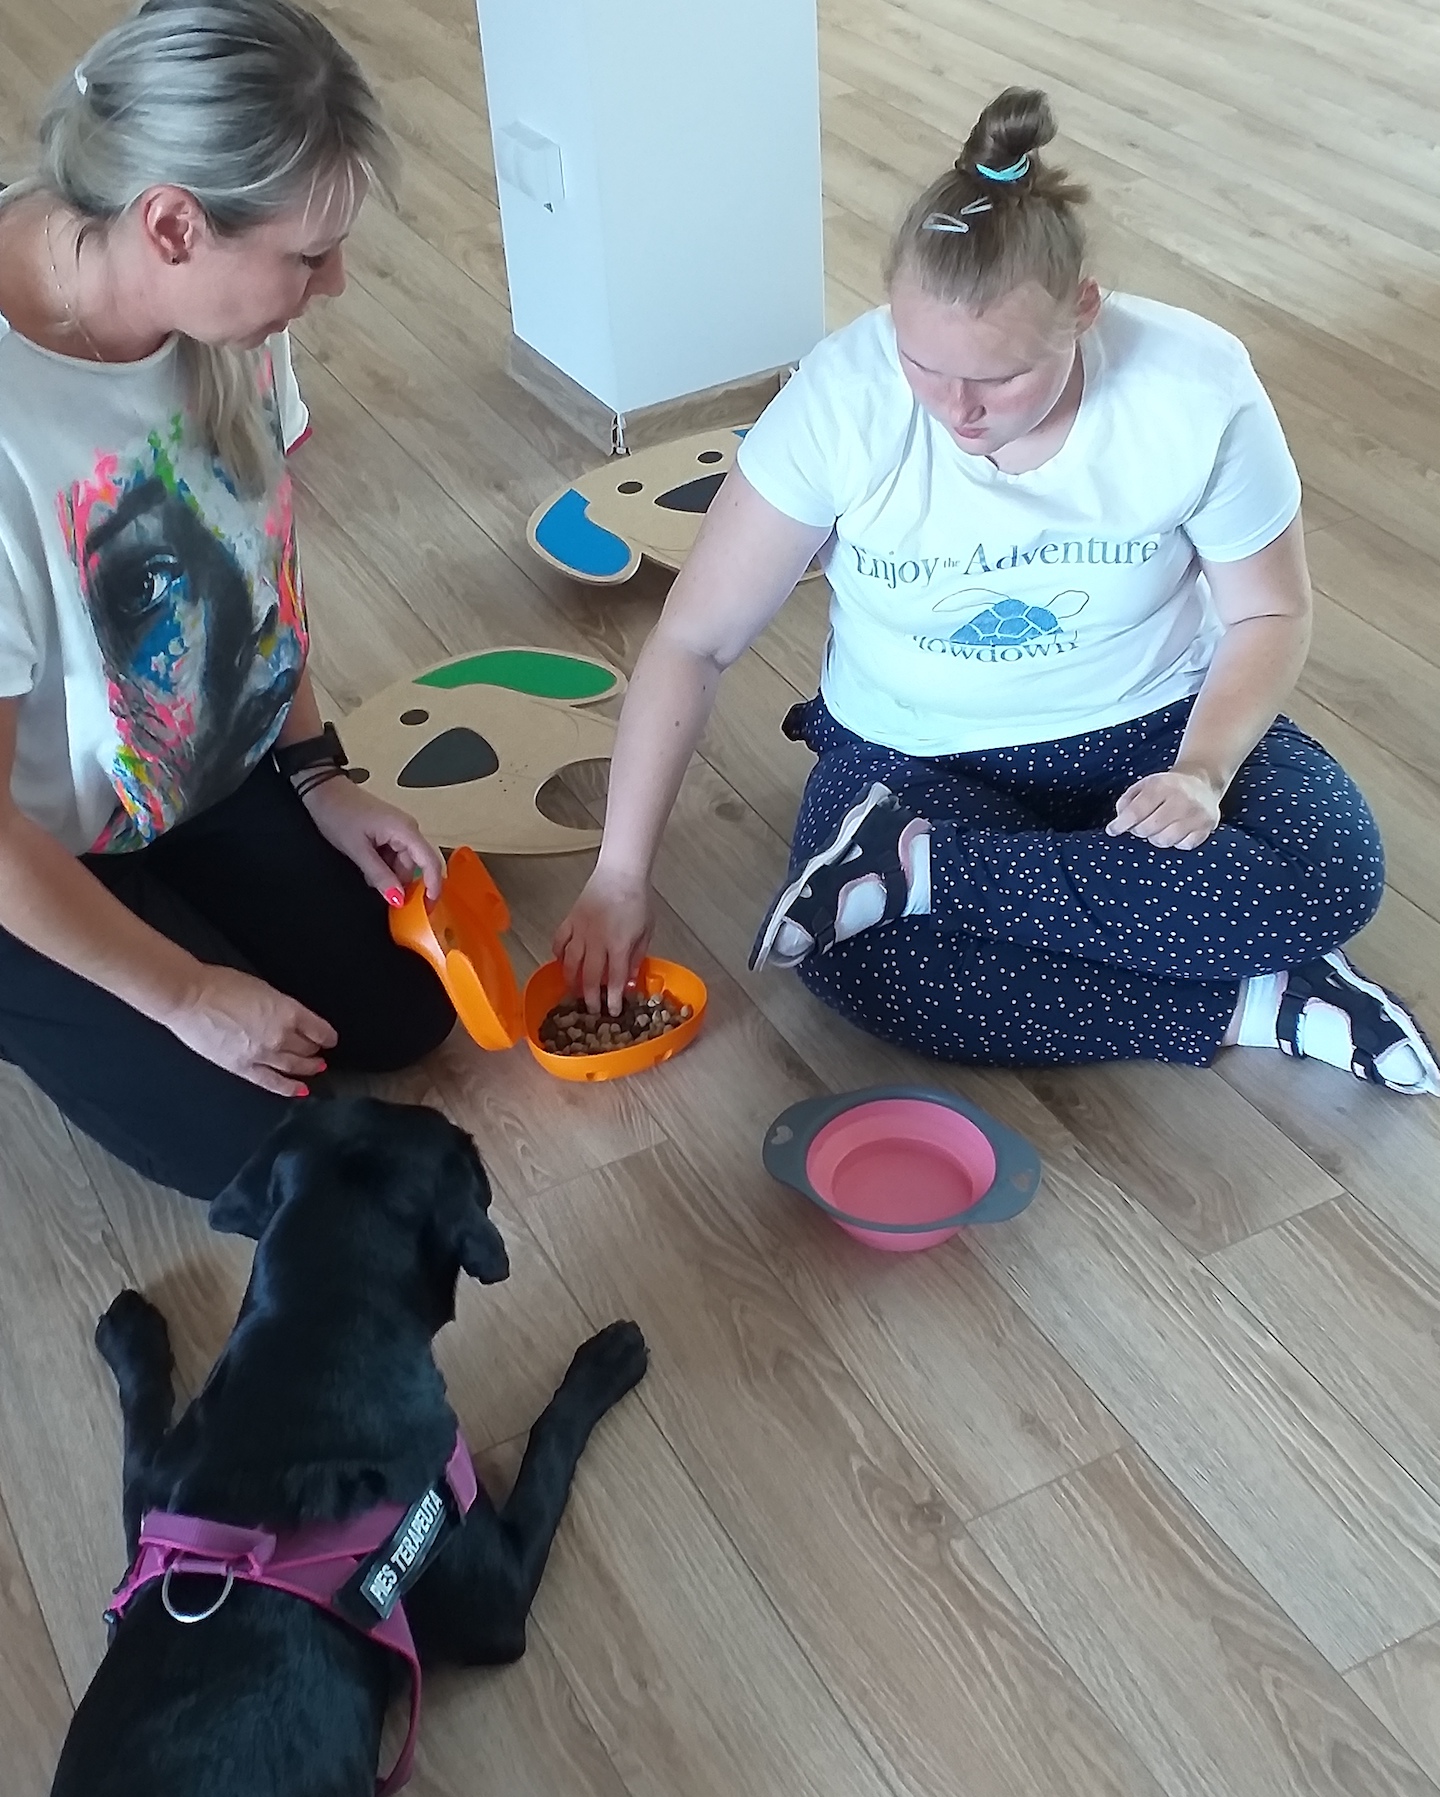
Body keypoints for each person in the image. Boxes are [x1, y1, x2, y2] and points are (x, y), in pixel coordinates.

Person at [556, 87, 1438, 1098]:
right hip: (915, 752)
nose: (957, 410)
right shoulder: (840, 400)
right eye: (922, 365)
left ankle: (918, 870)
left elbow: (1270, 610)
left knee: (1328, 874)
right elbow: (696, 642)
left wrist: (1200, 771)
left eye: (1000, 377)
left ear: (1085, 311)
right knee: (867, 968)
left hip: (1155, 727)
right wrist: (619, 873)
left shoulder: (1195, 387)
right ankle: (1261, 1002)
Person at [0, 0, 456, 1202]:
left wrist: (319, 776)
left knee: (405, 1011)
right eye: (309, 256)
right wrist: (185, 991)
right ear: (172, 225)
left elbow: (253, 570)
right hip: (19, 845)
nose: (335, 282)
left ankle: (166, 887)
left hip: (172, 769)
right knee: (275, 1149)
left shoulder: (223, 312)